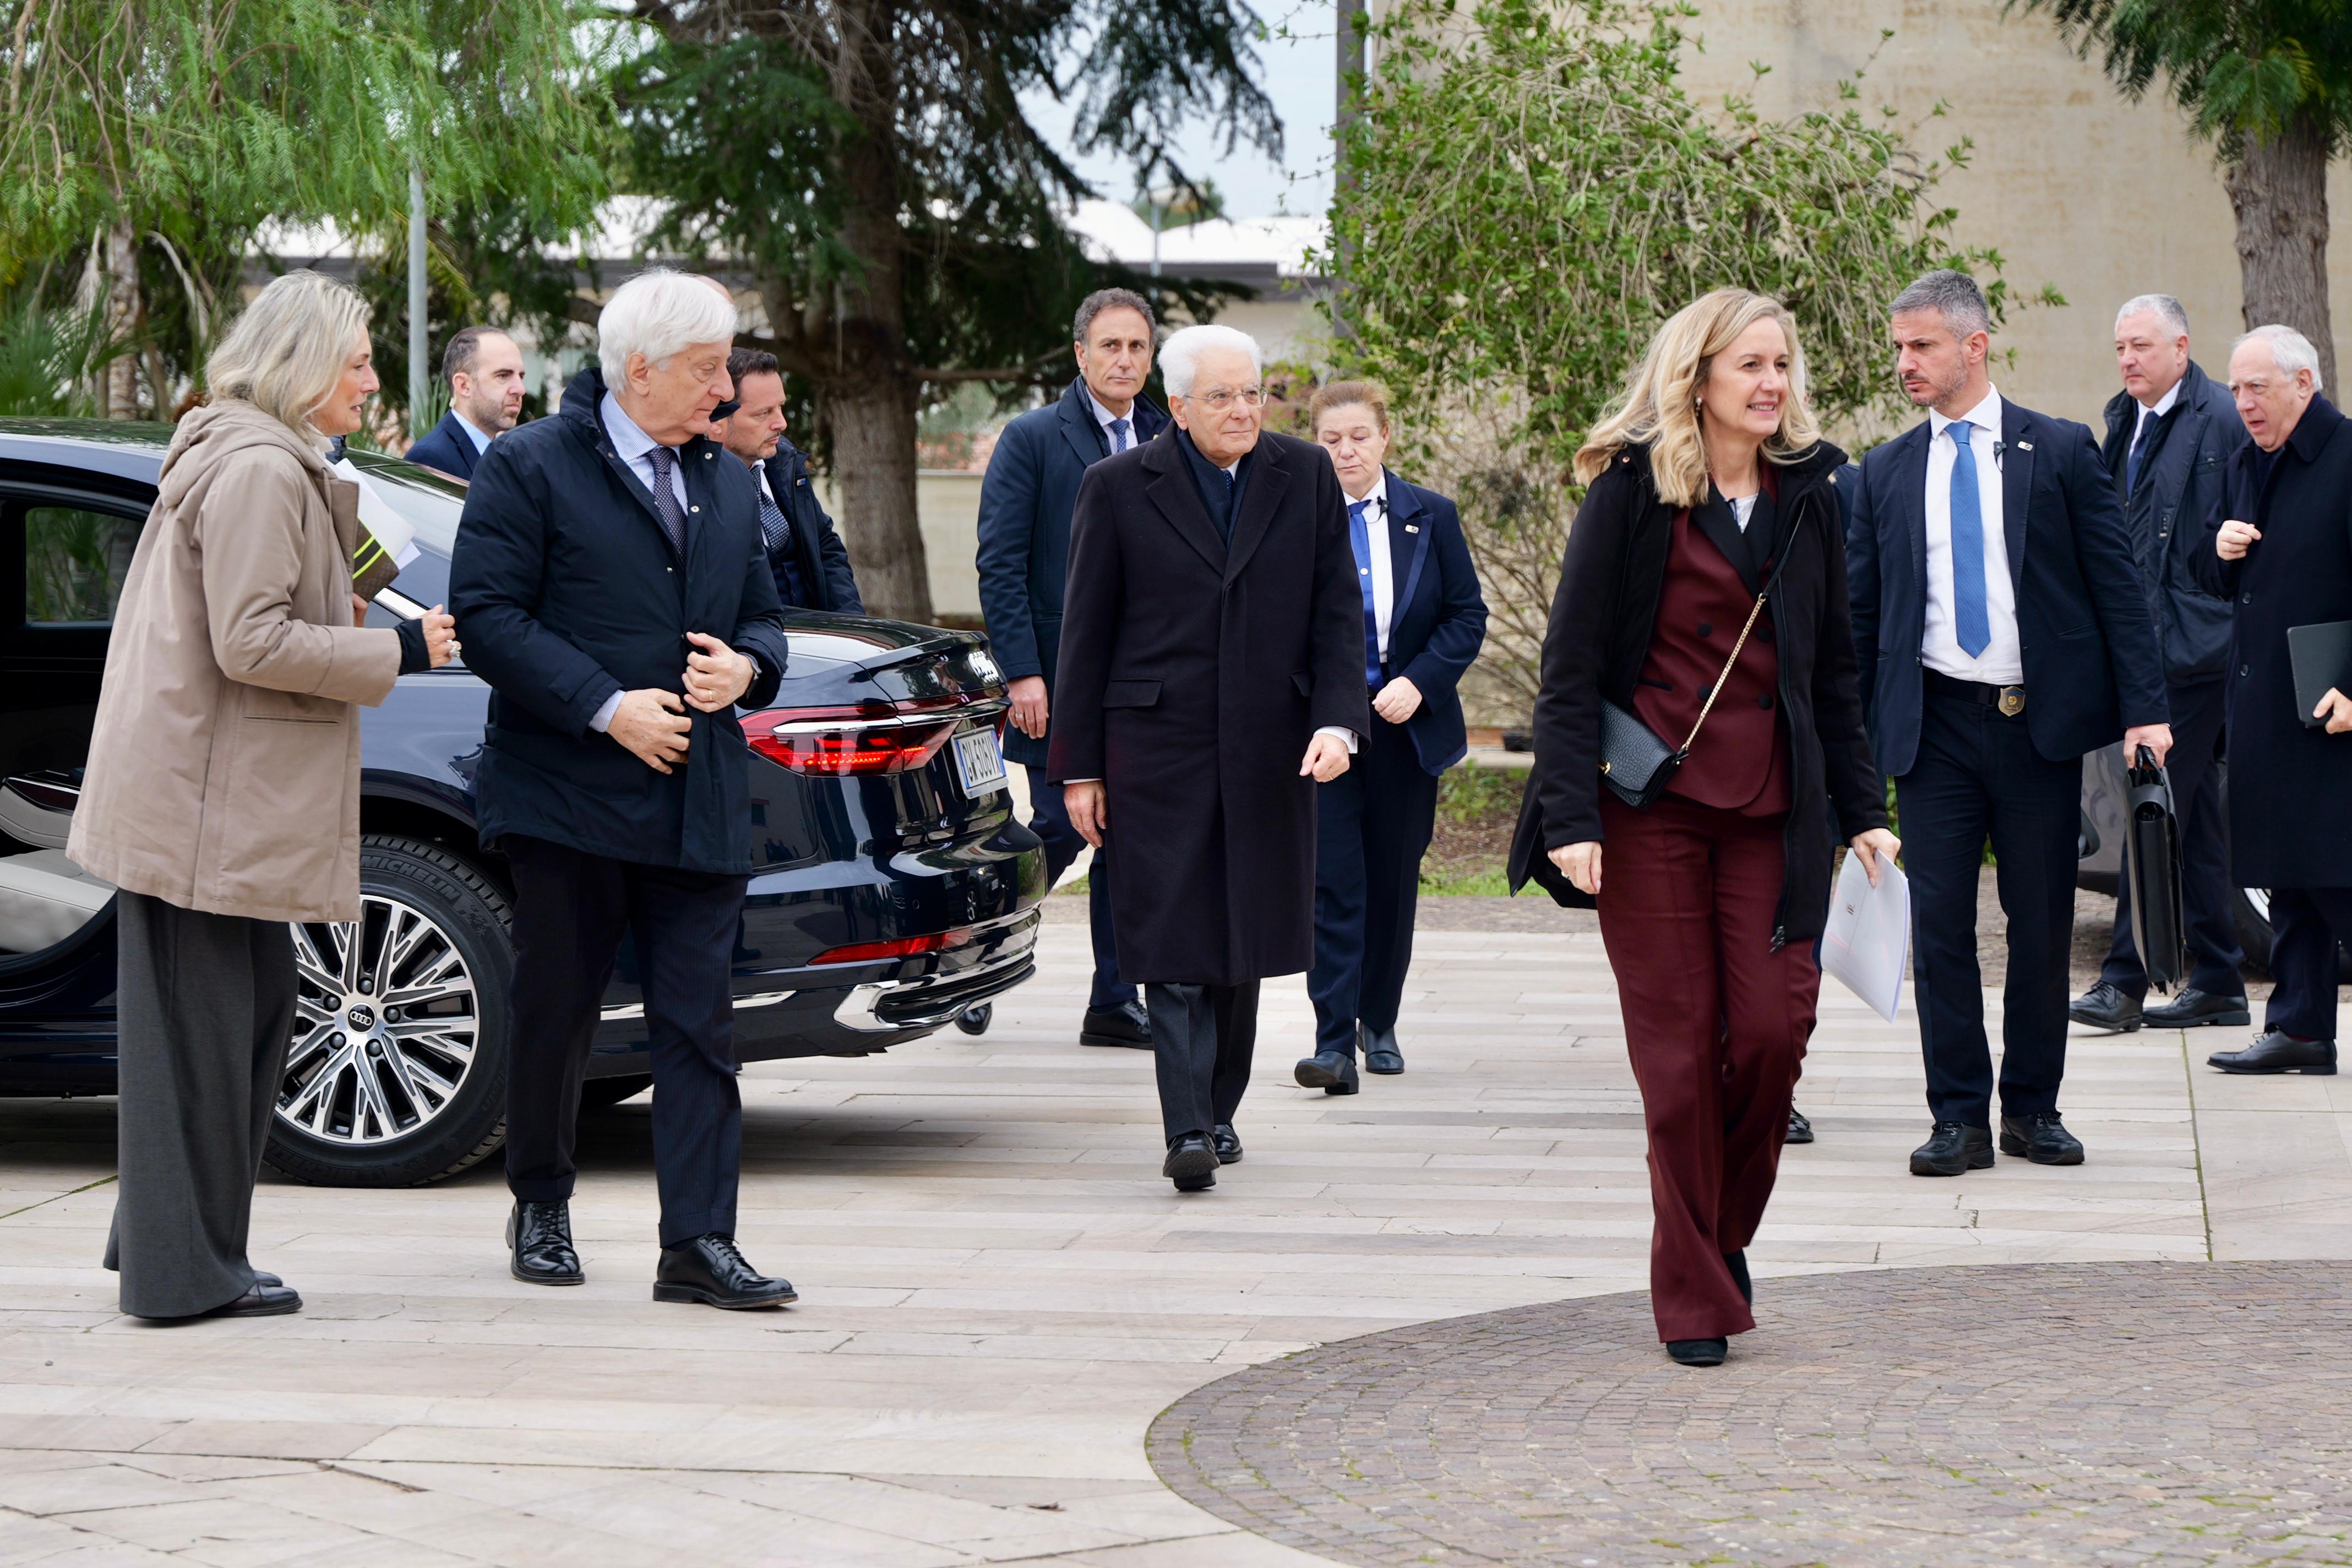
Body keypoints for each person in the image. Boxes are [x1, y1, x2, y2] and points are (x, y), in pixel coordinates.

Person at [69, 270, 456, 1320]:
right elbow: (252, 641)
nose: (373, 382)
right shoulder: (257, 471)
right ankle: (180, 1273)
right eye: (360, 361)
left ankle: (177, 1245)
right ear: (304, 365)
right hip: (207, 803)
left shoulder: (263, 456)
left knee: (229, 1022)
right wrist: (400, 651)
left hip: (210, 797)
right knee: (206, 1031)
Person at [1516, 288, 1893, 1367]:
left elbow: (1833, 672)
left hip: (1777, 815)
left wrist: (1864, 812)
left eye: (1783, 365)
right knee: (1681, 1064)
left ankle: (1716, 1236)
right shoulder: (1632, 494)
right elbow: (1570, 672)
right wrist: (1567, 815)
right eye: (1752, 367)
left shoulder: (1817, 493)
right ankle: (1694, 1290)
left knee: (1772, 1039)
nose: (1773, 384)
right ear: (1699, 377)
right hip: (1653, 818)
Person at [450, 267, 798, 1309]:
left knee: (701, 1022)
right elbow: (488, 617)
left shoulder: (728, 478)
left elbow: (765, 617)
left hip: (698, 799)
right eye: (704, 371)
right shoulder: (531, 465)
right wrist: (608, 705)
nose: (725, 392)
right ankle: (542, 1198)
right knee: (558, 1007)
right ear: (637, 369)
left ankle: (697, 1240)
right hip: (567, 795)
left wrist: (748, 670)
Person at [1847, 270, 2170, 1178]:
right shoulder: (1883, 471)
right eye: (1899, 347)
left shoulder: (2060, 451)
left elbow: (2117, 587)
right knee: (1939, 926)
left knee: (2038, 922)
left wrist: (2146, 711)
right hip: (1933, 728)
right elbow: (1864, 621)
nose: (1904, 363)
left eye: (1921, 346)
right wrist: (1859, 758)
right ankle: (1957, 1116)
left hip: (2035, 726)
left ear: (1973, 346)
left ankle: (2032, 1107)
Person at [1049, 323, 1368, 1191]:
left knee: (1244, 939)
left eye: (1253, 393)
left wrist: (1339, 723)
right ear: (1178, 406)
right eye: (1222, 396)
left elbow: (1338, 609)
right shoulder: (1115, 487)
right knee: (1175, 937)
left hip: (1272, 748)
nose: (1242, 410)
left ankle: (1220, 1111)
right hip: (1155, 749)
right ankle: (1186, 1126)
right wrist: (1080, 768)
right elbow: (1087, 635)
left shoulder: (1300, 473)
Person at [975, 288, 1168, 1050]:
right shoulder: (1033, 438)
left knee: (1123, 832)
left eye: (1138, 348)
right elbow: (1001, 563)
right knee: (1059, 823)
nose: (1125, 360)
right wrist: (1023, 673)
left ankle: (1114, 1000)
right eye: (1111, 347)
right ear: (1081, 354)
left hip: (1147, 682)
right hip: (1057, 676)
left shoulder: (1169, 431)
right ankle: (980, 939)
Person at [1297, 380, 1487, 1093]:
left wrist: (1423, 680)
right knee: (1333, 881)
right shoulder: (1299, 520)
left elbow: (1466, 615)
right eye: (1331, 439)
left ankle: (1380, 1021)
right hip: (1328, 733)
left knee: (1391, 882)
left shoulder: (1429, 516)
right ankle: (1331, 1037)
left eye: (1358, 436)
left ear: (1385, 437)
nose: (1346, 450)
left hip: (1409, 733)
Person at [2070, 296, 2252, 1033]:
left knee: (2152, 803)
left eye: (2141, 346)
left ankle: (2124, 980)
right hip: (2147, 647)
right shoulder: (2125, 420)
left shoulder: (2220, 420)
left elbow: (2238, 530)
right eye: (2120, 347)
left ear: (2181, 345)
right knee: (2198, 816)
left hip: (2198, 652)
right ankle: (2218, 979)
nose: (2127, 360)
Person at [2198, 325, 2352, 1076]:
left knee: (2335, 873)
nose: (2243, 403)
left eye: (2257, 387)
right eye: (2234, 389)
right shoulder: (2243, 464)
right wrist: (2218, 548)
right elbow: (2217, 577)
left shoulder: (2348, 459)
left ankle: (2300, 1023)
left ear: (2304, 384)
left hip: (2333, 709)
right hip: (2265, 705)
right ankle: (2299, 1027)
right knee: (2288, 873)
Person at [714, 347, 863, 613]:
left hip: (816, 641)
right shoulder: (695, 488)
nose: (781, 423)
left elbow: (825, 546)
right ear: (719, 417)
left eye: (780, 407)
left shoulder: (784, 463)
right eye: (763, 414)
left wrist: (851, 625)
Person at [405, 325, 529, 480]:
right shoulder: (432, 458)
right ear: (463, 385)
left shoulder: (508, 454)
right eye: (503, 376)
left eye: (521, 377)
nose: (520, 389)